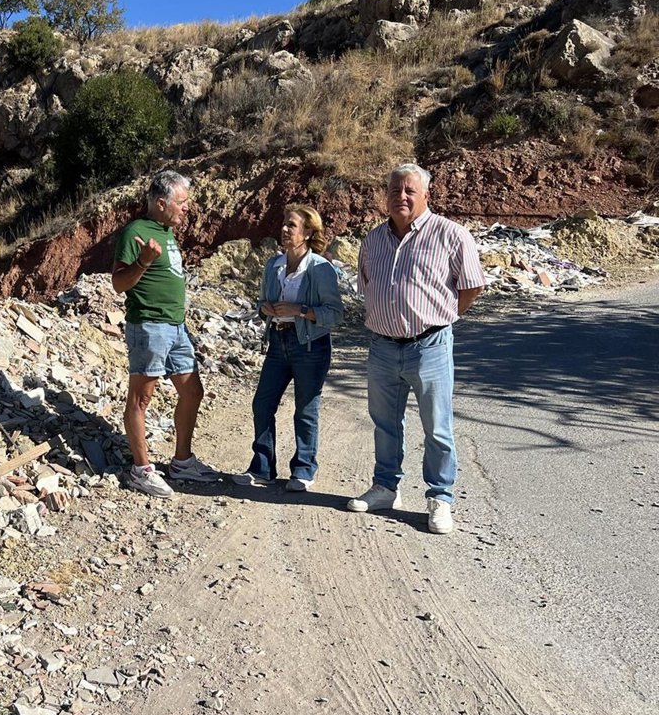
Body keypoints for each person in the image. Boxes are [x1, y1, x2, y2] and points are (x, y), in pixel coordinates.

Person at [349, 163, 485, 534]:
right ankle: (385, 488)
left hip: (430, 346)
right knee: (384, 424)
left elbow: (472, 286)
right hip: (382, 347)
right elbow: (367, 286)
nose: (402, 197)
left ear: (426, 194)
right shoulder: (373, 240)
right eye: (395, 190)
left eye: (410, 190)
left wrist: (443, 316)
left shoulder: (451, 235)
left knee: (437, 428)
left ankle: (440, 498)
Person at [112, 169, 214, 498]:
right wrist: (143, 261)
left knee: (192, 391)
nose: (187, 207)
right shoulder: (136, 232)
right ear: (160, 202)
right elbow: (119, 283)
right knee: (140, 399)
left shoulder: (166, 232)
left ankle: (182, 462)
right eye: (181, 202)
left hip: (176, 326)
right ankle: (141, 471)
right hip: (149, 326)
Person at [233, 204, 343, 491]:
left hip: (310, 346)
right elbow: (261, 304)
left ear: (307, 233)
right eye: (284, 223)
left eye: (291, 225)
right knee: (262, 404)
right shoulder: (274, 265)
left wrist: (300, 310)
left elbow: (335, 314)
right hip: (278, 342)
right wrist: (265, 309)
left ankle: (304, 470)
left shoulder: (320, 268)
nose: (283, 229)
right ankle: (262, 468)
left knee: (305, 409)